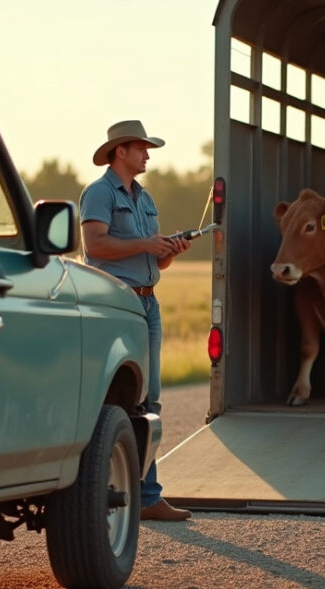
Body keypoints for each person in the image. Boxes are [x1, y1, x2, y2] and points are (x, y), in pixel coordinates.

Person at [79, 119, 192, 522]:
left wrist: (169, 250)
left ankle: (146, 497)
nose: (147, 155)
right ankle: (116, 493)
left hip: (148, 304)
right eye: (142, 148)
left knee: (150, 400)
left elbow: (154, 261)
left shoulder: (145, 198)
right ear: (120, 151)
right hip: (118, 305)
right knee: (121, 399)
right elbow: (94, 245)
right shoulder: (98, 193)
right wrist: (145, 242)